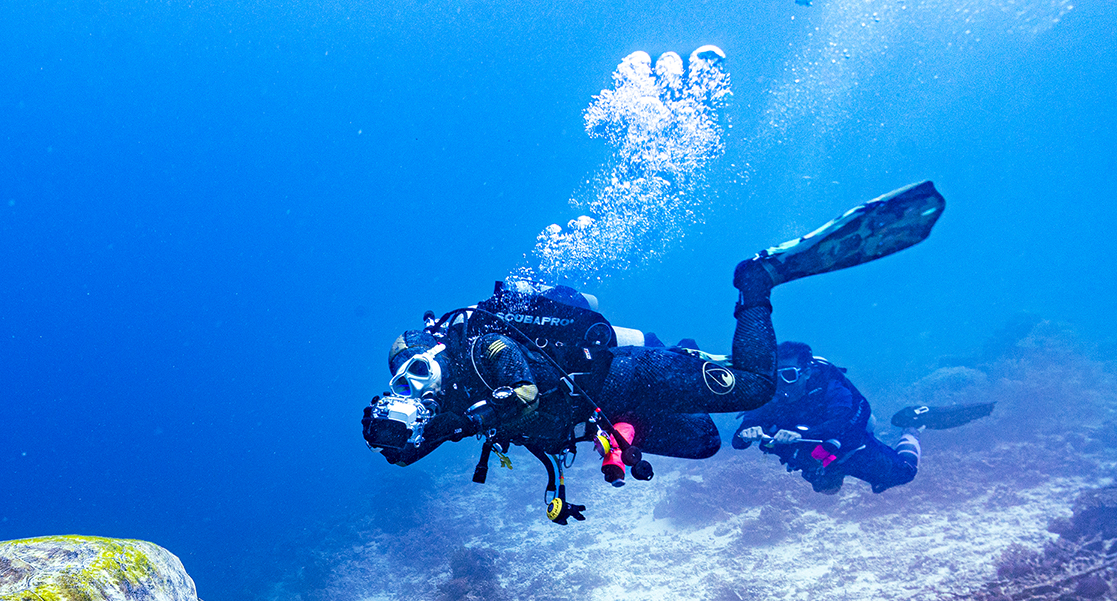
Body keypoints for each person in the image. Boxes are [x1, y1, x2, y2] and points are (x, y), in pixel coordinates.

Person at [361, 181, 946, 523]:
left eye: (414, 374)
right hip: (603, 413)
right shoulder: (450, 406)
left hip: (626, 376)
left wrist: (473, 416)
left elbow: (525, 389)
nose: (414, 386)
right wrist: (395, 436)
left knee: (754, 387)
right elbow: (417, 450)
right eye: (404, 385)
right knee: (706, 441)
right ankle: (684, 355)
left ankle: (757, 281)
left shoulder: (480, 349)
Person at [733, 341, 921, 494]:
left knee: (904, 473)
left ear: (806, 372)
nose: (781, 384)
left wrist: (800, 434)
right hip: (814, 453)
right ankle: (832, 470)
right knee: (828, 488)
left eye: (789, 375)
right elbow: (739, 440)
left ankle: (912, 427)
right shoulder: (769, 395)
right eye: (776, 376)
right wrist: (748, 430)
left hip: (849, 447)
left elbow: (843, 421)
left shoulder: (829, 385)